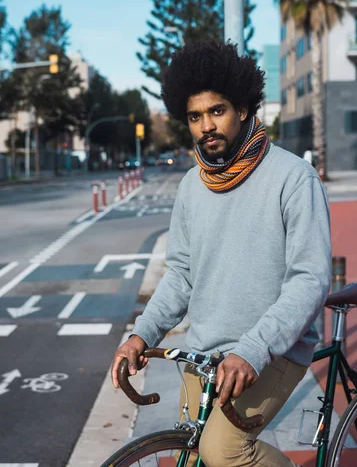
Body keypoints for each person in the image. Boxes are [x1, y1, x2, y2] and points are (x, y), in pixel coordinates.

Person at [111, 41, 331, 467]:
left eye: (218, 111)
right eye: (196, 116)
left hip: (272, 350)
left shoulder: (293, 178)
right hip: (204, 351)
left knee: (223, 451)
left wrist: (253, 350)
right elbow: (180, 275)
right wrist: (142, 333)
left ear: (243, 110)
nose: (206, 126)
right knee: (188, 457)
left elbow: (310, 278)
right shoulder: (192, 187)